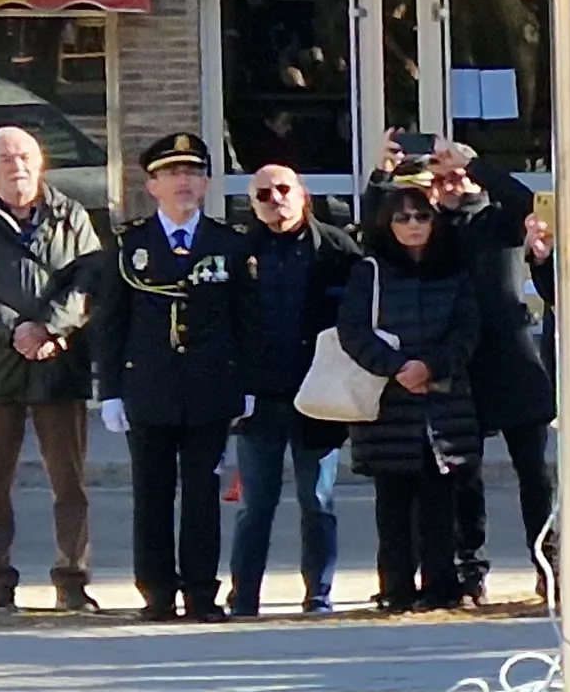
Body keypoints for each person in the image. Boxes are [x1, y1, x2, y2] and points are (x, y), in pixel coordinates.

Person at [91, 132, 263, 623]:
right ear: (152, 185)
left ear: (207, 183)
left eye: (192, 173)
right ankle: (158, 592)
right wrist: (111, 392)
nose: (183, 182)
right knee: (152, 494)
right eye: (172, 173)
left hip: (210, 388)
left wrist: (246, 384)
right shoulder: (130, 244)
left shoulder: (228, 243)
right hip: (148, 387)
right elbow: (111, 322)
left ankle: (202, 593)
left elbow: (246, 320)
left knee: (203, 494)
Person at [0, 126, 104, 615]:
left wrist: (52, 328)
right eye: (5, 159)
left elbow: (89, 281)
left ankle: (72, 582)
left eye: (25, 157)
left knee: (70, 485)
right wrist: (15, 328)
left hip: (60, 366)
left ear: (41, 165)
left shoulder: (72, 215)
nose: (17, 166)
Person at [345, 173, 485, 612]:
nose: (412, 225)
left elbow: (467, 330)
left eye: (421, 215)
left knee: (440, 500)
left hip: (443, 401)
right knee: (392, 503)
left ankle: (442, 586)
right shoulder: (370, 270)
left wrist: (432, 366)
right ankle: (396, 588)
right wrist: (396, 368)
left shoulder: (454, 269)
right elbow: (353, 331)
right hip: (391, 400)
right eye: (402, 217)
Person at [418, 143, 552, 604]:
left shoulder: (496, 220)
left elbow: (524, 201)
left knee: (534, 474)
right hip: (461, 366)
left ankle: (548, 563)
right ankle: (470, 570)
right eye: (441, 181)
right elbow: (382, 226)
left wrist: (473, 163)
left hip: (512, 362)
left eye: (457, 179)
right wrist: (384, 171)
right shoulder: (431, 233)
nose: (451, 186)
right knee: (464, 476)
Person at [227, 164, 357, 615]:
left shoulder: (338, 249)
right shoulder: (237, 251)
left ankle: (318, 595)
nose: (275, 199)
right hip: (259, 397)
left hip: (318, 394)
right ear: (253, 203)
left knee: (317, 500)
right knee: (255, 505)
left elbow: (361, 313)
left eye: (284, 189)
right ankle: (244, 597)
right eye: (263, 194)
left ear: (303, 195)